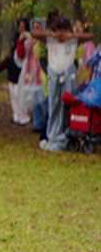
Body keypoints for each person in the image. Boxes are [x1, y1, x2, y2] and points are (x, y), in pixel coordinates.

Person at [32, 16, 93, 151]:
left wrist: (71, 36)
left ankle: (64, 137)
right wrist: (52, 34)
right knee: (53, 107)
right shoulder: (50, 40)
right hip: (54, 78)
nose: (61, 32)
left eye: (64, 29)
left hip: (67, 78)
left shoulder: (73, 41)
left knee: (66, 108)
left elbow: (90, 35)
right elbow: (34, 34)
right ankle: (52, 137)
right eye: (59, 28)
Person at [21, 18, 47, 134]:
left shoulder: (45, 42)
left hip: (42, 74)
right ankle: (37, 123)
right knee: (34, 100)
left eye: (38, 27)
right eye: (34, 28)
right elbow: (21, 53)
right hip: (31, 73)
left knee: (43, 100)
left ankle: (46, 122)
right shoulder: (29, 42)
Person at [7, 18, 31, 126]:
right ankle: (16, 115)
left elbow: (22, 54)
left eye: (23, 26)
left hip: (21, 70)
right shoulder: (15, 37)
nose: (20, 29)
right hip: (12, 68)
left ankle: (23, 116)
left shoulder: (27, 39)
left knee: (18, 94)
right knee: (12, 93)